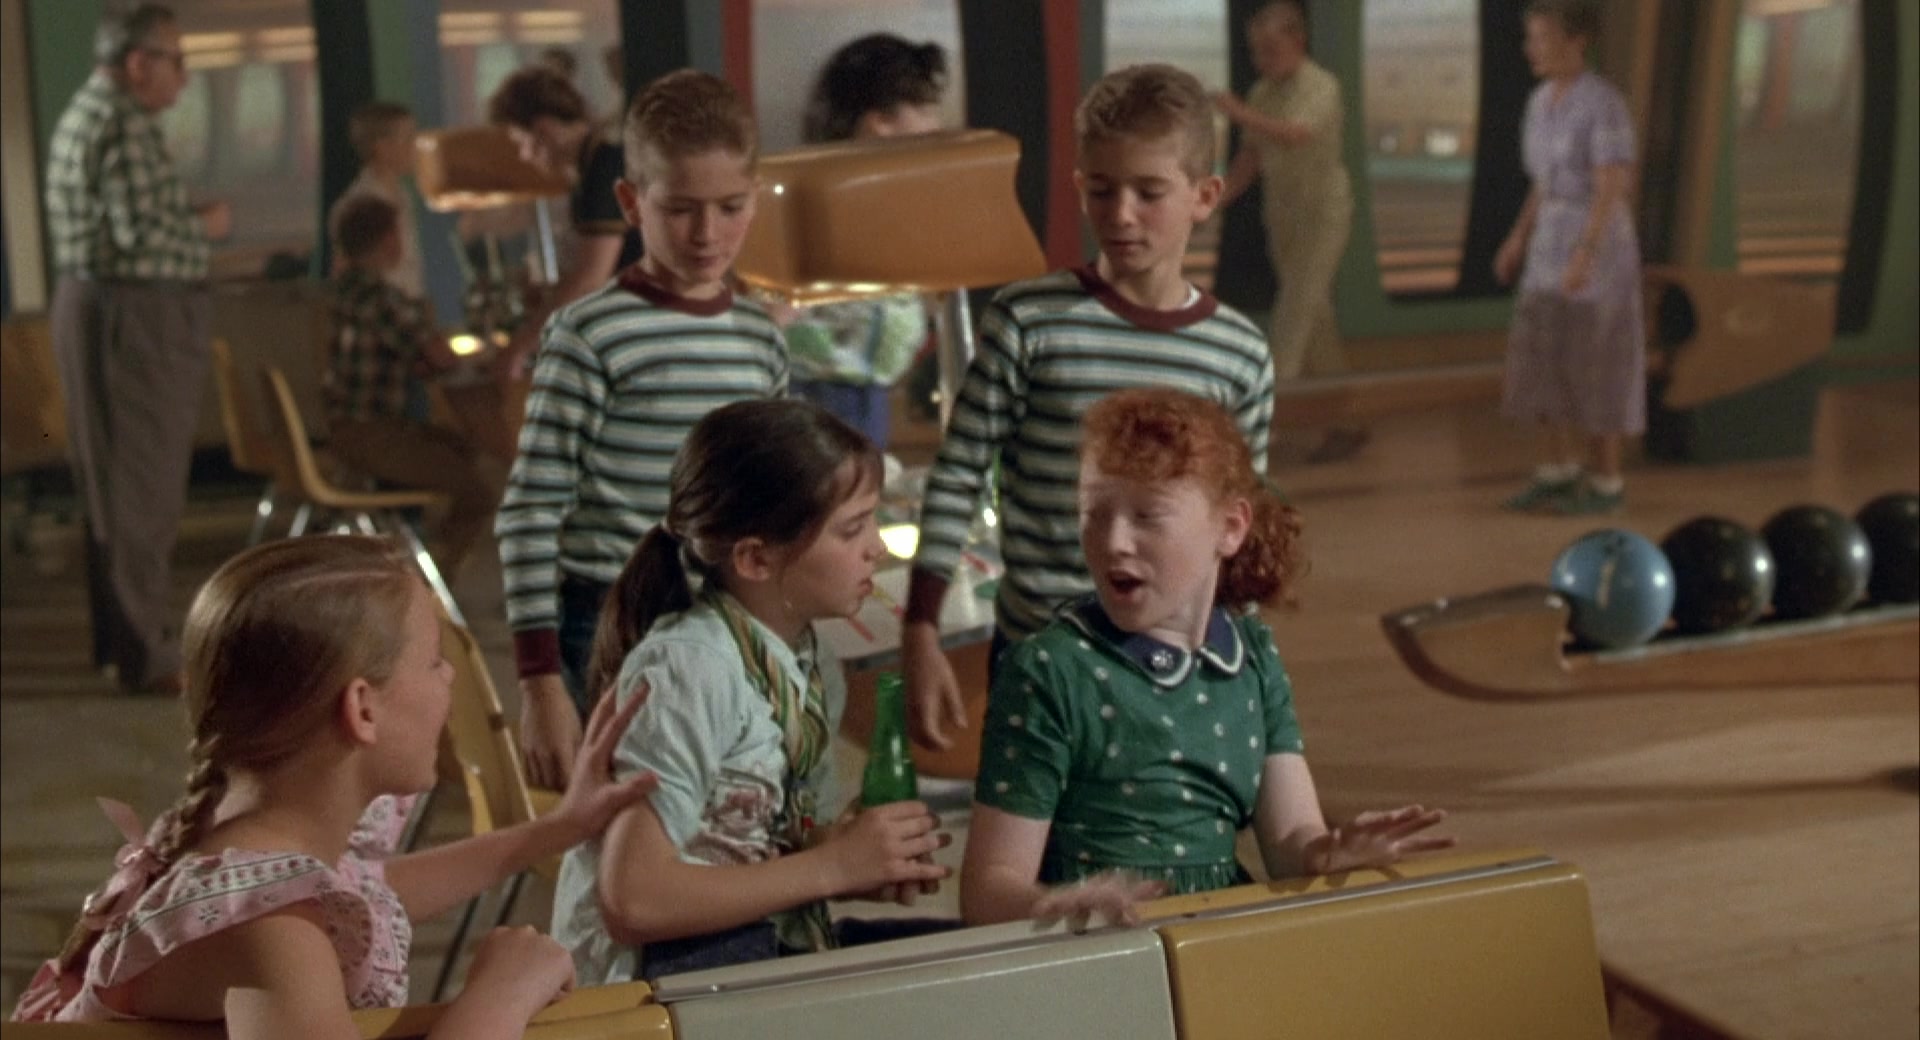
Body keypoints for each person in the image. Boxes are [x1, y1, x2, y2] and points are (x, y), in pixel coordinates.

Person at [9, 536, 660, 1035]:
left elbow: (370, 892)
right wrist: (499, 997)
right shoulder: (273, 933)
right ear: (362, 709)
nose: (450, 679)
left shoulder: (243, 834)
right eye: (434, 661)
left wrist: (557, 829)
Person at [960, 389, 1453, 926]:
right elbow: (988, 891)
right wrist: (1054, 905)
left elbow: (1291, 843)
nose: (1113, 541)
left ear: (1230, 528)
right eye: (1094, 513)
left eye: (1147, 516)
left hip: (1219, 940)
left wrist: (1330, 854)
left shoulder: (1252, 658)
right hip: (1102, 953)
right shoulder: (1051, 669)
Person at [904, 64, 1276, 751]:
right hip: (1041, 653)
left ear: (1205, 195)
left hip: (1177, 665)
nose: (1121, 214)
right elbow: (958, 472)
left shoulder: (1239, 354)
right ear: (1080, 188)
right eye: (1102, 190)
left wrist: (1240, 662)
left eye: (1148, 192)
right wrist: (921, 626)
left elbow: (1239, 521)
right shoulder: (1029, 320)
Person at [552, 399, 951, 982]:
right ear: (756, 558)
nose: (879, 548)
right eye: (852, 529)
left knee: (976, 961)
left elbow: (759, 844)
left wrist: (855, 852)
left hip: (744, 949)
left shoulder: (811, 662)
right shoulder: (691, 669)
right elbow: (634, 899)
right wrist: (834, 867)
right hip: (655, 987)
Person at [499, 70, 788, 791]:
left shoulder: (761, 337)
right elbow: (531, 509)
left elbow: (771, 501)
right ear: (632, 203)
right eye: (680, 209)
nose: (707, 234)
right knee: (632, 822)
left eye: (730, 208)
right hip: (608, 620)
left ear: (755, 199)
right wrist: (539, 681)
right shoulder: (590, 332)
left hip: (724, 618)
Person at [44, 2, 231, 695]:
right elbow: (140, 239)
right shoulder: (123, 124)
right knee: (142, 489)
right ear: (137, 63)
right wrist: (205, 226)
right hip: (136, 318)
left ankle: (122, 642)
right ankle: (146, 652)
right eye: (177, 60)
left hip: (100, 308)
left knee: (113, 488)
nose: (184, 76)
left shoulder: (89, 114)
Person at [1494, 0, 1643, 515]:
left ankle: (1606, 479)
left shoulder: (1603, 104)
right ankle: (1555, 469)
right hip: (1548, 242)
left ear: (1576, 40)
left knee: (1597, 360)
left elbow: (1611, 185)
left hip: (1596, 243)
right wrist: (1517, 237)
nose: (1530, 48)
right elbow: (1543, 183)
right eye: (1530, 38)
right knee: (1542, 355)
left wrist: (1586, 251)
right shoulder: (1539, 102)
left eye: (1541, 37)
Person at [774, 33, 947, 450]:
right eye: (924, 108)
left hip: (867, 394)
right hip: (822, 393)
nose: (935, 125)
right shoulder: (817, 199)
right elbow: (777, 308)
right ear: (879, 120)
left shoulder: (886, 201)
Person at [1215, 0, 1368, 465]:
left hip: (1323, 216)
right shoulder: (1262, 91)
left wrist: (1239, 113)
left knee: (1293, 317)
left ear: (1298, 41)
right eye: (1256, 51)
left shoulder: (1321, 85)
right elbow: (1250, 159)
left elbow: (1296, 133)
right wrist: (1214, 198)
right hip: (1282, 217)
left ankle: (1259, 430)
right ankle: (1346, 420)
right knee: (1316, 319)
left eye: (1271, 49)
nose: (1262, 60)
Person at [323, 195, 504, 578]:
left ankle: (417, 553)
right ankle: (432, 575)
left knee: (465, 450)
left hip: (349, 429)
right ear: (389, 240)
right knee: (481, 488)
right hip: (375, 435)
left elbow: (409, 352)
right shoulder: (380, 299)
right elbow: (439, 356)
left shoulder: (344, 290)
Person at [487, 65, 646, 381]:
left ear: (543, 130)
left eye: (522, 142)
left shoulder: (604, 168)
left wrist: (521, 345)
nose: (524, 155)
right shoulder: (596, 164)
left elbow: (591, 277)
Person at [328, 101, 425, 298]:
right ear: (382, 147)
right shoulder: (359, 204)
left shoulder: (403, 194)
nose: (416, 146)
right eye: (408, 138)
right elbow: (344, 270)